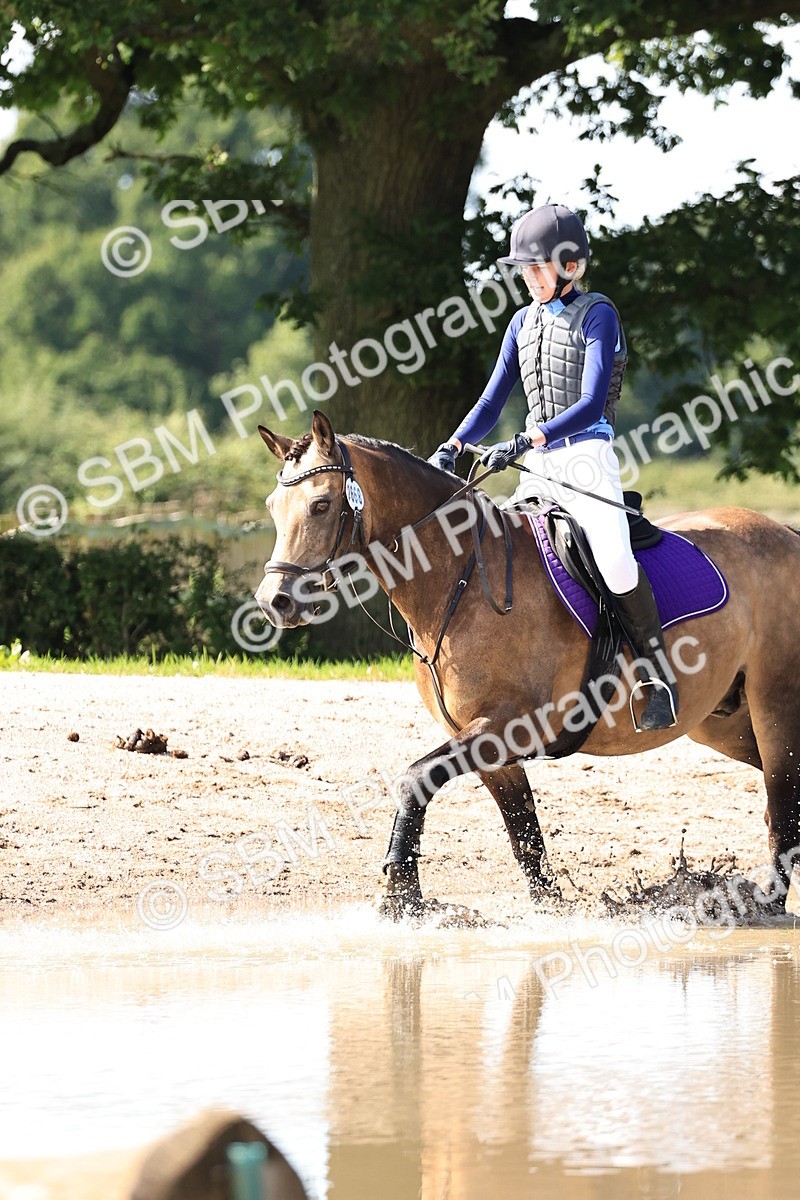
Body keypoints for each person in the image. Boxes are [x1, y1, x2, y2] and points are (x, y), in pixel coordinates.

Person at [428, 203, 678, 732]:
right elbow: (492, 401)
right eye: (523, 270)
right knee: (498, 549)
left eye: (537, 268)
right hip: (536, 466)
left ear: (573, 268)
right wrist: (451, 445)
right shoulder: (522, 322)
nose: (528, 279)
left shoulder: (599, 315)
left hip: (587, 459)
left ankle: (659, 677)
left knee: (612, 560)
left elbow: (589, 403)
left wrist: (525, 439)